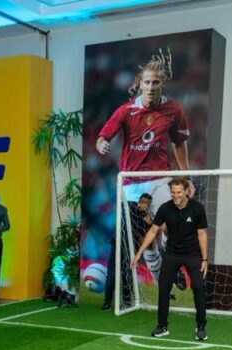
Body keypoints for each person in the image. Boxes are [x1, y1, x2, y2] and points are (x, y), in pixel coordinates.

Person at [96, 48, 190, 288]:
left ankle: (172, 264)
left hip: (159, 178)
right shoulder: (126, 111)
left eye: (155, 82)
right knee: (146, 241)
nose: (150, 87)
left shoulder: (174, 110)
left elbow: (179, 143)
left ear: (162, 84)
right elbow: (103, 137)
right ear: (140, 84)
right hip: (132, 185)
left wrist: (186, 176)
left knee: (170, 223)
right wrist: (102, 144)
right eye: (147, 82)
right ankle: (163, 283)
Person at [130, 177, 209, 341]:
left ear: (186, 191)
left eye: (179, 192)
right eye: (173, 192)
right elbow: (153, 231)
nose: (176, 195)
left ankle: (201, 326)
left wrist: (205, 259)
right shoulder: (165, 208)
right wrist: (138, 253)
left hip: (193, 254)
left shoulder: (197, 208)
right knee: (164, 288)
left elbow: (202, 234)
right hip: (172, 254)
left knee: (198, 287)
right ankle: (162, 326)